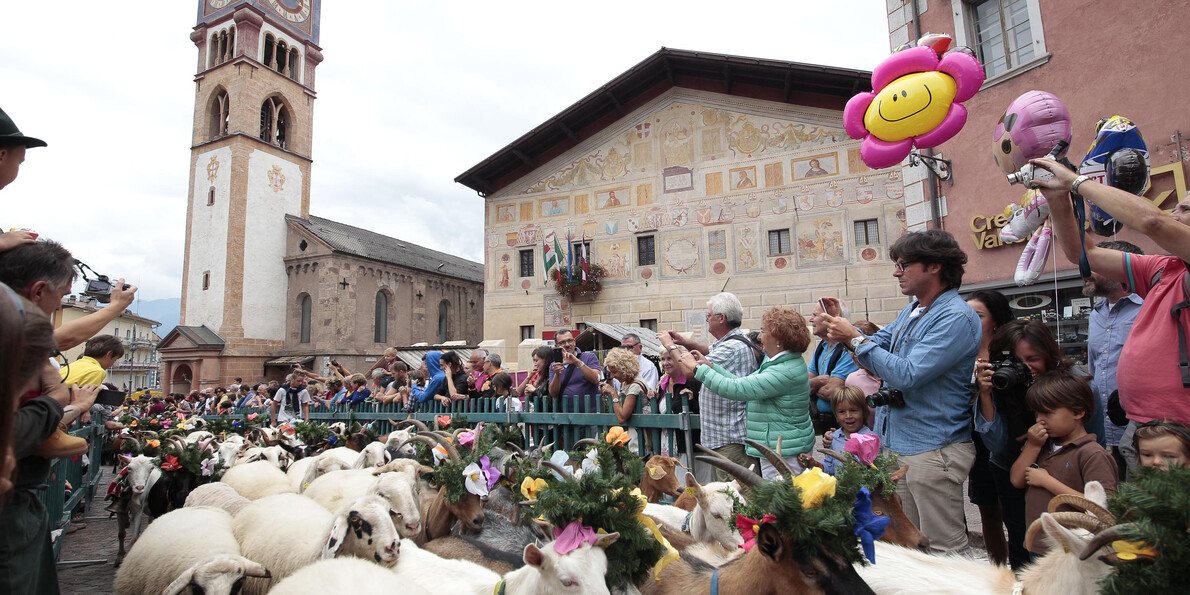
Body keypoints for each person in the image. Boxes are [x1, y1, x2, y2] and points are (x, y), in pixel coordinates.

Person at [821, 229, 981, 553]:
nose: (896, 272)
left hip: (933, 449)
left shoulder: (955, 317)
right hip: (899, 448)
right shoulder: (912, 311)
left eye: (904, 264)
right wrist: (846, 330)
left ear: (934, 267)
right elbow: (871, 352)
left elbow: (907, 374)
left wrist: (853, 337)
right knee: (907, 543)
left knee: (943, 550)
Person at [1030, 157, 1190, 479]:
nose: (1175, 213)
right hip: (1144, 428)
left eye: (1185, 210)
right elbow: (1085, 254)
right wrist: (1058, 198)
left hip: (1181, 432)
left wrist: (1076, 182)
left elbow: (1153, 222)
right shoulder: (1164, 268)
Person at [667, 305, 813, 479]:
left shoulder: (783, 371)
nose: (759, 336)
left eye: (763, 331)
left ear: (778, 338)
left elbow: (736, 389)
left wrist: (697, 369)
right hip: (779, 447)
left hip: (784, 452)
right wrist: (710, 366)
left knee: (782, 501)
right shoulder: (779, 363)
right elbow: (740, 382)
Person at [1010, 369, 1118, 555]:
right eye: (1037, 414)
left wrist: (1048, 482)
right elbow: (1016, 480)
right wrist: (1033, 445)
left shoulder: (1091, 453)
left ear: (1078, 412)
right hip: (1038, 545)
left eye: (1048, 413)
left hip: (1074, 550)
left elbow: (1102, 509)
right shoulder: (1043, 444)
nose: (1039, 420)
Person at [662, 292, 759, 482]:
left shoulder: (731, 348)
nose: (706, 320)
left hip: (729, 436)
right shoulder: (731, 342)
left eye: (709, 316)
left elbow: (690, 372)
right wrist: (684, 342)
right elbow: (710, 352)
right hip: (725, 436)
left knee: (733, 497)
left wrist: (670, 346)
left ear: (721, 318)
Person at [964, 289, 1017, 568]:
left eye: (978, 315)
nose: (970, 320)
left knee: (1015, 510)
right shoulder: (960, 350)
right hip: (974, 437)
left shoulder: (1012, 348)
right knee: (988, 511)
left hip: (1010, 435)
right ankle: (998, 569)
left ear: (995, 319)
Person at [1083, 240, 1144, 463]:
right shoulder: (1096, 314)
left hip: (1145, 434)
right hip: (1104, 432)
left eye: (1095, 265)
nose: (1085, 271)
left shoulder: (1151, 306)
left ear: (1121, 269)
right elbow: (1094, 366)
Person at [808, 298, 859, 433]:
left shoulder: (850, 347)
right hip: (826, 423)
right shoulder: (822, 346)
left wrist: (814, 385)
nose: (810, 319)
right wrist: (820, 381)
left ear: (832, 318)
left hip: (846, 424)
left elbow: (830, 392)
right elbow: (804, 384)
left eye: (815, 315)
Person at [658, 344, 701, 457]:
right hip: (667, 443)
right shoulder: (663, 384)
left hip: (691, 446)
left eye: (669, 358)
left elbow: (701, 411)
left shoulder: (692, 381)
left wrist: (691, 401)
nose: (665, 363)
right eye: (662, 359)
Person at [820, 386, 873, 476]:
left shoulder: (871, 439)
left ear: (864, 411)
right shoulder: (833, 438)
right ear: (836, 414)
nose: (848, 416)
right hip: (841, 489)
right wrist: (815, 464)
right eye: (841, 412)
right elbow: (830, 467)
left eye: (853, 410)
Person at [547, 329, 602, 412]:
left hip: (591, 416)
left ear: (574, 342)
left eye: (569, 340)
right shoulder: (554, 365)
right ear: (557, 346)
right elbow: (553, 393)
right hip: (567, 418)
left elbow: (596, 379)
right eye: (562, 342)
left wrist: (577, 362)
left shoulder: (589, 357)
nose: (567, 344)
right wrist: (557, 374)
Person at [600, 347, 650, 426]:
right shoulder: (626, 382)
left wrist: (613, 393)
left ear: (625, 369)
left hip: (639, 432)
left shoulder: (635, 386)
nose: (612, 376)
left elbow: (622, 418)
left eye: (614, 372)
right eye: (610, 372)